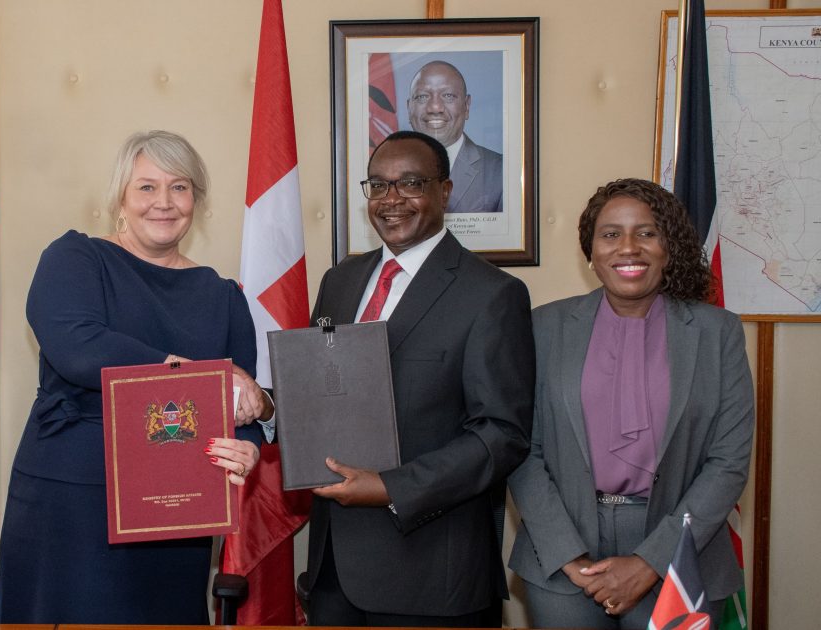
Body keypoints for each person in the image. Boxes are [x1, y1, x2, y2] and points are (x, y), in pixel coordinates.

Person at [0, 130, 271, 624]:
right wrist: (188, 373)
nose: (164, 202)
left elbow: (241, 398)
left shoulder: (222, 295)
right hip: (73, 506)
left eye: (179, 187)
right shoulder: (76, 258)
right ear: (120, 196)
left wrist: (247, 447)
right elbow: (79, 349)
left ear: (196, 200)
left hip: (178, 510)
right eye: (146, 187)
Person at [305, 130, 534, 627]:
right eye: (378, 185)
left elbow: (501, 435)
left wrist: (391, 487)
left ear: (445, 191)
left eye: (410, 183)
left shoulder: (492, 295)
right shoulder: (339, 281)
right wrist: (268, 407)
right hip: (333, 574)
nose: (392, 200)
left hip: (431, 576)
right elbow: (318, 389)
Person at [508, 178, 754, 629]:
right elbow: (523, 450)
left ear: (668, 248)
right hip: (564, 552)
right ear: (590, 251)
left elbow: (729, 462)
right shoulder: (543, 327)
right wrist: (569, 555)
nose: (628, 247)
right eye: (610, 234)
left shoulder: (718, 333)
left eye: (646, 233)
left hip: (682, 553)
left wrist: (650, 561)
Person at [407, 60, 503, 214]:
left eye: (448, 96)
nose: (435, 107)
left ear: (467, 106)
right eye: (422, 97)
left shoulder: (501, 172)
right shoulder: (385, 170)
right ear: (409, 108)